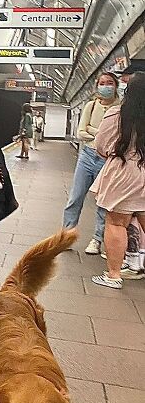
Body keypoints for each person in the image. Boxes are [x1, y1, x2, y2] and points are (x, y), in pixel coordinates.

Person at [91, 72, 145, 289]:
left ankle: (113, 275)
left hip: (123, 173)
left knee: (116, 223)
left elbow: (101, 145)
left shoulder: (117, 114)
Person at [62, 71, 120, 254]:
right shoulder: (91, 106)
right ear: (97, 86)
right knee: (75, 197)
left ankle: (97, 239)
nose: (105, 87)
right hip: (87, 156)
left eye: (109, 83)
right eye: (102, 83)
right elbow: (80, 133)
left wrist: (93, 130)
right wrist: (102, 133)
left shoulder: (121, 108)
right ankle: (66, 236)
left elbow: (118, 137)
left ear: (116, 86)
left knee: (103, 202)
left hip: (107, 160)